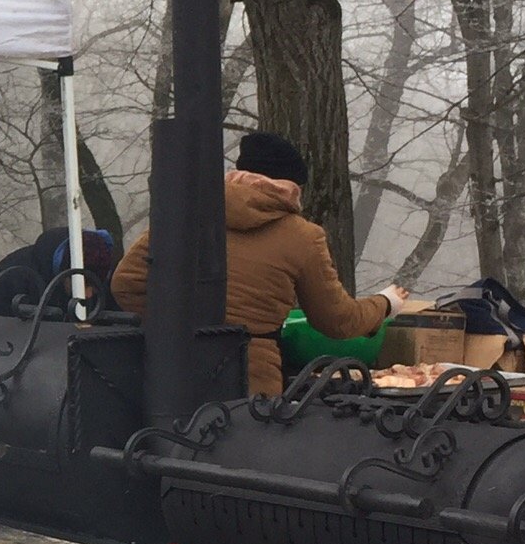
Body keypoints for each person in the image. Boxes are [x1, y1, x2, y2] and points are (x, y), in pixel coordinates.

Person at [110, 131, 405, 397]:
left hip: (173, 371)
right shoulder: (302, 236)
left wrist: (182, 325)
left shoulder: (186, 216)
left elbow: (125, 284)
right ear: (292, 188)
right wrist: (385, 304)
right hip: (250, 382)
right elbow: (337, 320)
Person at [0, 227, 118, 317]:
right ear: (65, 272)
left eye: (96, 286)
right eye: (83, 284)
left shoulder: (110, 280)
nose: (88, 295)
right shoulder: (11, 277)